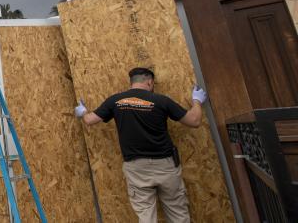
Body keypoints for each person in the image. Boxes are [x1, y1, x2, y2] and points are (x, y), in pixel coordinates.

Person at [74, 67, 207, 223]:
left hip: (136, 169)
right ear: (149, 82)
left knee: (146, 217)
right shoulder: (161, 100)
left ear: (132, 82)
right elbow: (194, 121)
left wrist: (82, 112)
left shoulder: (115, 100)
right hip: (165, 166)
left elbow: (89, 120)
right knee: (178, 214)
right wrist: (197, 101)